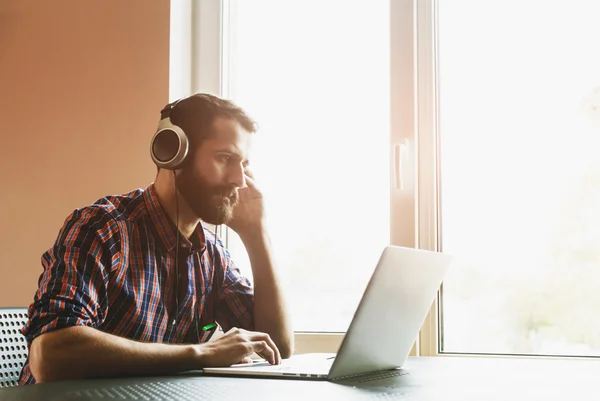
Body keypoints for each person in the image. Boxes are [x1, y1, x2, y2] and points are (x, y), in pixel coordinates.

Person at [19, 93, 293, 385]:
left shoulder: (212, 255)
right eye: (225, 158)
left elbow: (275, 347)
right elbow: (50, 356)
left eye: (244, 164)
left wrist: (256, 234)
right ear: (173, 151)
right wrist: (200, 354)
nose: (239, 179)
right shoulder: (103, 228)